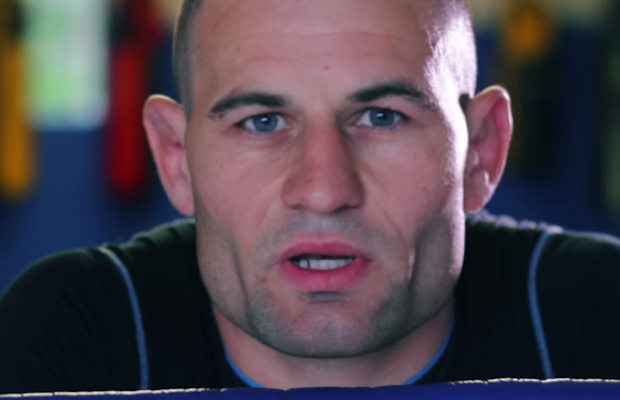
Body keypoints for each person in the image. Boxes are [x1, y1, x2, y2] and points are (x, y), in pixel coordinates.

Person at [1, 0, 620, 394]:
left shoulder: (596, 320)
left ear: (480, 150)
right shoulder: (77, 339)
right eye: (262, 122)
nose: (323, 191)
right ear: (175, 156)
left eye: (382, 117)